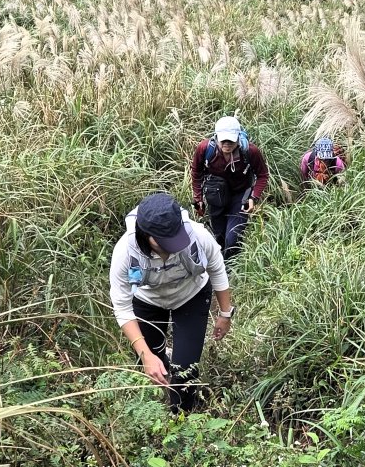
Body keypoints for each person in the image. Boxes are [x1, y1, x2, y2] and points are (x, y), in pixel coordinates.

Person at [109, 192, 236, 414]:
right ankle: (158, 390)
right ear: (146, 235)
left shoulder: (197, 235)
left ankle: (180, 418)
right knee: (151, 360)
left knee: (185, 370)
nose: (173, 246)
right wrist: (146, 355)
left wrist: (225, 314)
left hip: (191, 296)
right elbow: (122, 306)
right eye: (164, 241)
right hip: (147, 300)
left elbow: (216, 267)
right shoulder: (125, 252)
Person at [190, 116, 270, 261]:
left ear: (238, 138)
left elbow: (263, 175)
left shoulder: (250, 151)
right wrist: (198, 199)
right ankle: (221, 265)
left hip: (240, 196)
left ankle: (232, 269)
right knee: (219, 236)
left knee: (232, 239)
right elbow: (196, 172)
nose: (227, 144)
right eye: (223, 140)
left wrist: (253, 198)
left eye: (231, 140)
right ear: (216, 137)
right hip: (216, 196)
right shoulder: (205, 149)